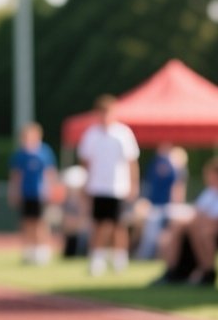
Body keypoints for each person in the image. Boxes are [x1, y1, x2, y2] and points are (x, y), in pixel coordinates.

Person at [156, 157, 218, 285]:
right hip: (209, 226)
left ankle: (209, 270)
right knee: (178, 227)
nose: (207, 177)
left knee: (203, 232)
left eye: (211, 174)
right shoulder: (210, 192)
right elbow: (198, 212)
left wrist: (199, 219)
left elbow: (216, 220)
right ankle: (173, 269)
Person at [76, 95, 139, 276]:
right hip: (97, 186)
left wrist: (133, 184)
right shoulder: (91, 134)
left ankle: (120, 258)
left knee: (118, 224)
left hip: (118, 187)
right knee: (98, 224)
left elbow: (131, 161)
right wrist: (85, 183)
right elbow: (86, 162)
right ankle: (97, 258)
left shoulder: (123, 133)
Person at [8, 122, 58, 265]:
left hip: (40, 194)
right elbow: (16, 176)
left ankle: (42, 251)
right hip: (26, 193)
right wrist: (14, 192)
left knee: (40, 223)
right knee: (27, 223)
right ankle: (29, 250)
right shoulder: (20, 155)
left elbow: (50, 173)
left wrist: (52, 190)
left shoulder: (44, 152)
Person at [135, 144, 185, 260]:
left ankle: (153, 255)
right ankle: (149, 255)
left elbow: (176, 187)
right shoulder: (158, 164)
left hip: (165, 205)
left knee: (159, 233)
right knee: (153, 232)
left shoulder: (172, 166)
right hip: (157, 204)